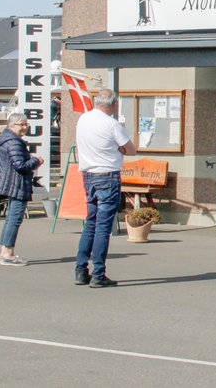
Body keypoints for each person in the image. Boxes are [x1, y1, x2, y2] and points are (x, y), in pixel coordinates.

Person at [74, 88, 136, 288]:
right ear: (114, 104)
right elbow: (132, 150)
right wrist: (119, 148)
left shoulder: (83, 119)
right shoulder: (112, 124)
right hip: (108, 176)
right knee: (103, 226)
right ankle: (99, 273)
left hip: (88, 175)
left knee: (90, 223)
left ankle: (81, 270)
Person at [0, 112, 44, 266]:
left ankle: (5, 251)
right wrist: (36, 161)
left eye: (25, 124)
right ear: (11, 126)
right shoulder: (14, 142)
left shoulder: (7, 140)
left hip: (11, 183)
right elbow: (20, 166)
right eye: (21, 124)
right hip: (17, 184)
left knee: (11, 219)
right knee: (14, 219)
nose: (24, 127)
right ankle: (7, 254)